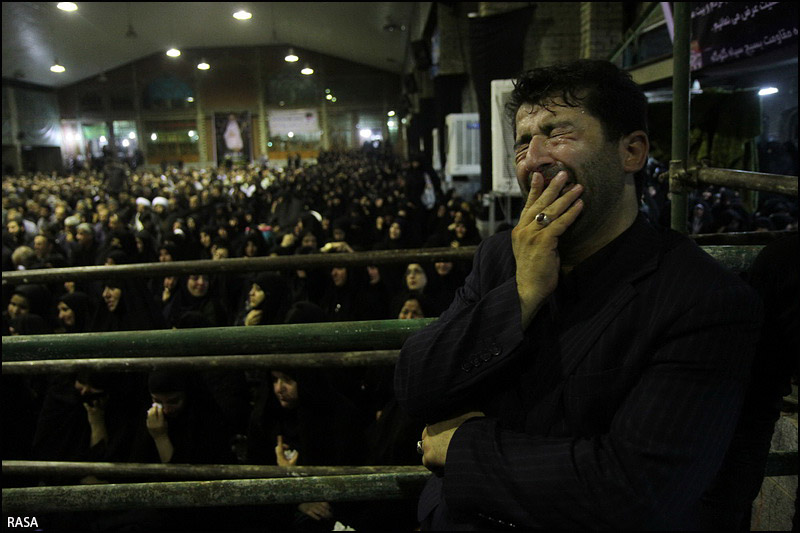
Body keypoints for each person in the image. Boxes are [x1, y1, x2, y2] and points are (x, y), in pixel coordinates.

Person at [394, 59, 763, 530]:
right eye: (522, 142)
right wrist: (522, 294)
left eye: (558, 133)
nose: (534, 157)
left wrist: (465, 448)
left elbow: (635, 489)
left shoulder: (702, 299)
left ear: (631, 151)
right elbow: (416, 385)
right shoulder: (501, 258)